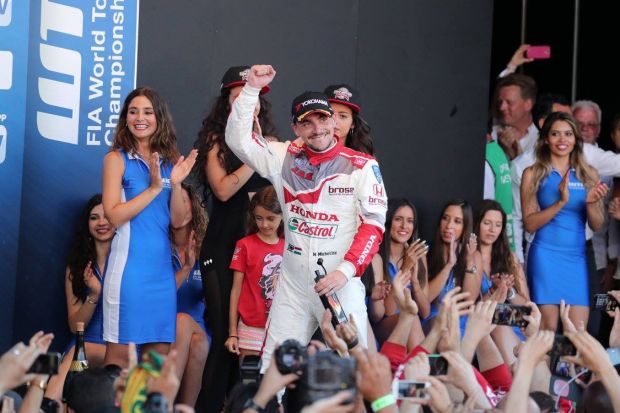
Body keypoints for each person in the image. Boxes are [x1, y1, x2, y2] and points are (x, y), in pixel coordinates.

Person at [225, 65, 387, 372]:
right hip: (294, 286)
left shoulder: (363, 166)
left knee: (356, 370)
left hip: (340, 283)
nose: (318, 128)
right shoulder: (282, 156)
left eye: (323, 119)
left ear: (334, 121)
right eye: (307, 122)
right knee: (273, 369)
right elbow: (238, 140)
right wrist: (251, 90)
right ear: (296, 128)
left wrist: (345, 271)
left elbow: (373, 226)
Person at [194, 65, 277, 412]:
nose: (247, 101)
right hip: (221, 249)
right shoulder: (216, 140)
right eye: (239, 95)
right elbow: (224, 190)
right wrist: (257, 153)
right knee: (224, 339)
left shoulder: (270, 141)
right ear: (226, 102)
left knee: (251, 344)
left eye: (252, 96)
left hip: (258, 254)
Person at [102, 86, 198, 367]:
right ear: (125, 118)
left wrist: (175, 184)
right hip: (128, 274)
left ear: (159, 118)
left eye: (147, 112)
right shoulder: (116, 159)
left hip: (161, 276)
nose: (140, 118)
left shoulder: (169, 162)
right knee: (118, 364)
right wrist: (155, 188)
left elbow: (178, 221)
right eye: (133, 112)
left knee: (155, 365)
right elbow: (114, 216)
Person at [521, 112, 608, 331]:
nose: (562, 140)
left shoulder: (589, 174)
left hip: (576, 258)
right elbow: (529, 224)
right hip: (545, 255)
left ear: (576, 139)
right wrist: (560, 202)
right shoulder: (532, 173)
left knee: (578, 331)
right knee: (547, 329)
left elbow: (597, 225)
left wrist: (590, 204)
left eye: (568, 134)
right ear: (545, 139)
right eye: (555, 134)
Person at [45, 195, 114, 402]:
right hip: (84, 346)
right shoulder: (76, 267)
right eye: (94, 217)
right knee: (79, 353)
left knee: (82, 351)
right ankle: (49, 405)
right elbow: (76, 328)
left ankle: (47, 405)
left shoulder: (130, 264)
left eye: (107, 216)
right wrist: (94, 294)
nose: (101, 222)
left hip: (119, 347)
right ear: (87, 225)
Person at [225, 185, 284, 359]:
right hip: (250, 328)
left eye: (271, 218)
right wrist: (233, 332)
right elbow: (235, 291)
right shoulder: (244, 245)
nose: (264, 224)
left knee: (277, 376)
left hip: (281, 327)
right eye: (259, 218)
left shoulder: (289, 247)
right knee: (249, 376)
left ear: (282, 216)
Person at [370, 199, 429, 349]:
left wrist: (414, 282)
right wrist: (405, 268)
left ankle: (419, 363)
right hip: (383, 326)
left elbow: (425, 312)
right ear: (388, 221)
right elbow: (387, 311)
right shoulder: (376, 257)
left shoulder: (418, 256)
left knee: (412, 317)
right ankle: (422, 364)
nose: (404, 226)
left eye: (410, 221)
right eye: (398, 219)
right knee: (410, 318)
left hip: (412, 324)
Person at [170, 183, 209, 407]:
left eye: (184, 202)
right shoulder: (158, 248)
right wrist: (186, 268)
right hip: (161, 328)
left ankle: (164, 403)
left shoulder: (206, 249)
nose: (180, 207)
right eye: (174, 202)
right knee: (195, 341)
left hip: (197, 325)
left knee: (184, 322)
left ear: (194, 208)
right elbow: (161, 296)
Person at [424, 199, 480, 332]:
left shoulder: (474, 255)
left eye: (457, 221)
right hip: (434, 319)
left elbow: (469, 300)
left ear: (465, 226)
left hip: (461, 319)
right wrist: (449, 265)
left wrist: (470, 261)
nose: (449, 226)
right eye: (445, 218)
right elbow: (425, 300)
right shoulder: (426, 252)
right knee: (445, 327)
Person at [492, 73, 538, 160]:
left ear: (528, 105)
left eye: (509, 102)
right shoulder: (491, 134)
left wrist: (516, 157)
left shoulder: (541, 140)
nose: (502, 107)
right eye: (500, 102)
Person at [323, 84, 374, 155]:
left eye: (343, 116)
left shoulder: (362, 159)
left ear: (353, 123)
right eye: (330, 114)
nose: (335, 121)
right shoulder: (305, 154)